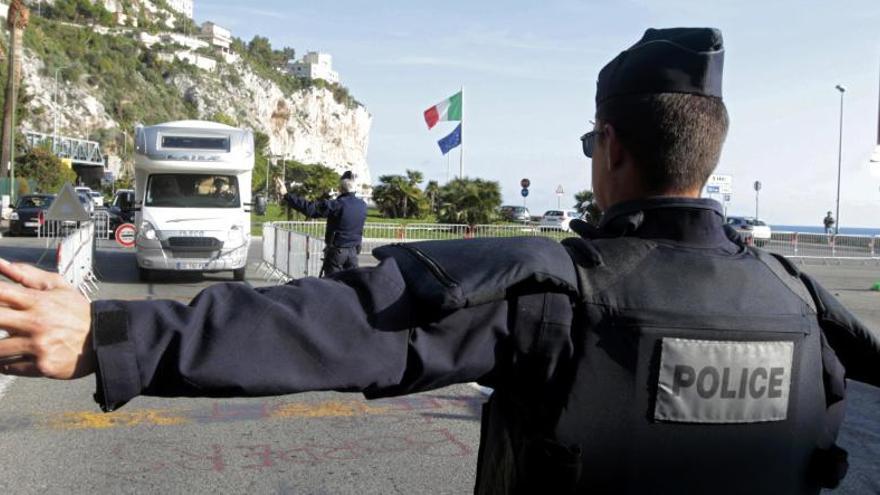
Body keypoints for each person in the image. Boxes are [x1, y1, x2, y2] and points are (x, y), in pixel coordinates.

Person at [0, 28, 878, 494]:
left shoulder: (557, 294)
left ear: (608, 146)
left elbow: (338, 324)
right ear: (711, 155)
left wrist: (108, 331)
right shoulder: (804, 307)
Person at [275, 170, 367, 276]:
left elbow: (310, 209)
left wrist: (286, 195)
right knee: (352, 284)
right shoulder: (362, 205)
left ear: (341, 188)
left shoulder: (337, 205)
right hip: (353, 253)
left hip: (337, 253)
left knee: (332, 285)